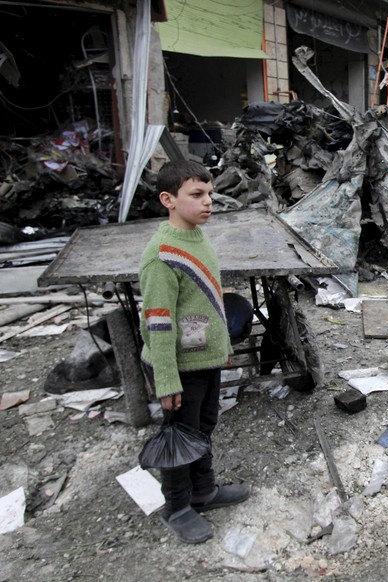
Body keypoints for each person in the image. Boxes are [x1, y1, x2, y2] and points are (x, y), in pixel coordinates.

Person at [139, 160, 250, 544]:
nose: (208, 203)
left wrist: (221, 350)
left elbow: (207, 301)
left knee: (203, 428)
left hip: (204, 358)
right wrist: (167, 380)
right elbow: (159, 323)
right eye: (197, 195)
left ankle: (204, 491)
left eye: (210, 194)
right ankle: (178, 507)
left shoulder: (197, 238)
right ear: (168, 200)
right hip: (179, 367)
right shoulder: (161, 256)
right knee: (180, 437)